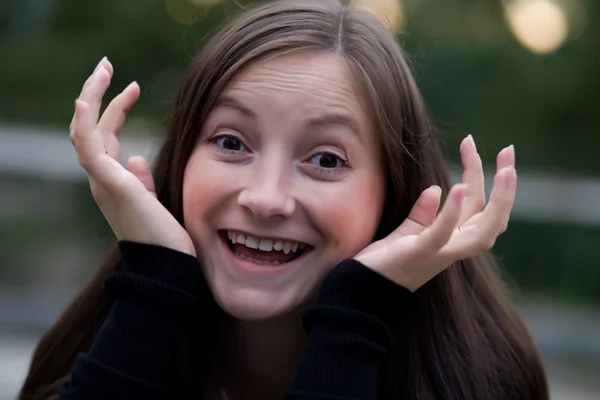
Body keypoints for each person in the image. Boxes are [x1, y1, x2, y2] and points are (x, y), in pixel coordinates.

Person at [19, 0, 549, 399]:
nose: (267, 199)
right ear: (182, 158)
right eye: (231, 143)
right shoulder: (85, 351)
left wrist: (355, 320)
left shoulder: (484, 379)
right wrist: (154, 287)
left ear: (395, 190)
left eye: (324, 160)